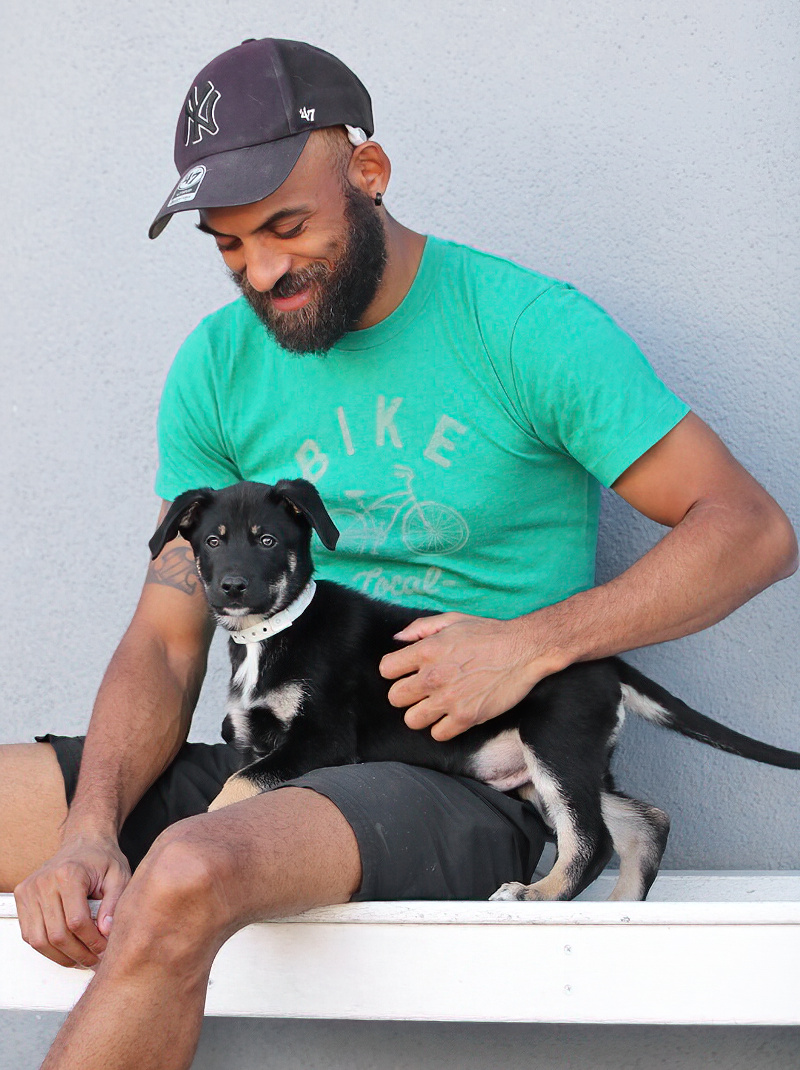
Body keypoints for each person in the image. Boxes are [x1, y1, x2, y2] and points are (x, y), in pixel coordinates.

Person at [2, 37, 796, 1070]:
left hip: (457, 771)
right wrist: (88, 826)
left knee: (188, 868)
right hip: (277, 756)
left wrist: (530, 643)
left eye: (287, 226)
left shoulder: (523, 326)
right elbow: (165, 639)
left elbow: (749, 528)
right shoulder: (216, 364)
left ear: (368, 174)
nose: (261, 271)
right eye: (229, 245)